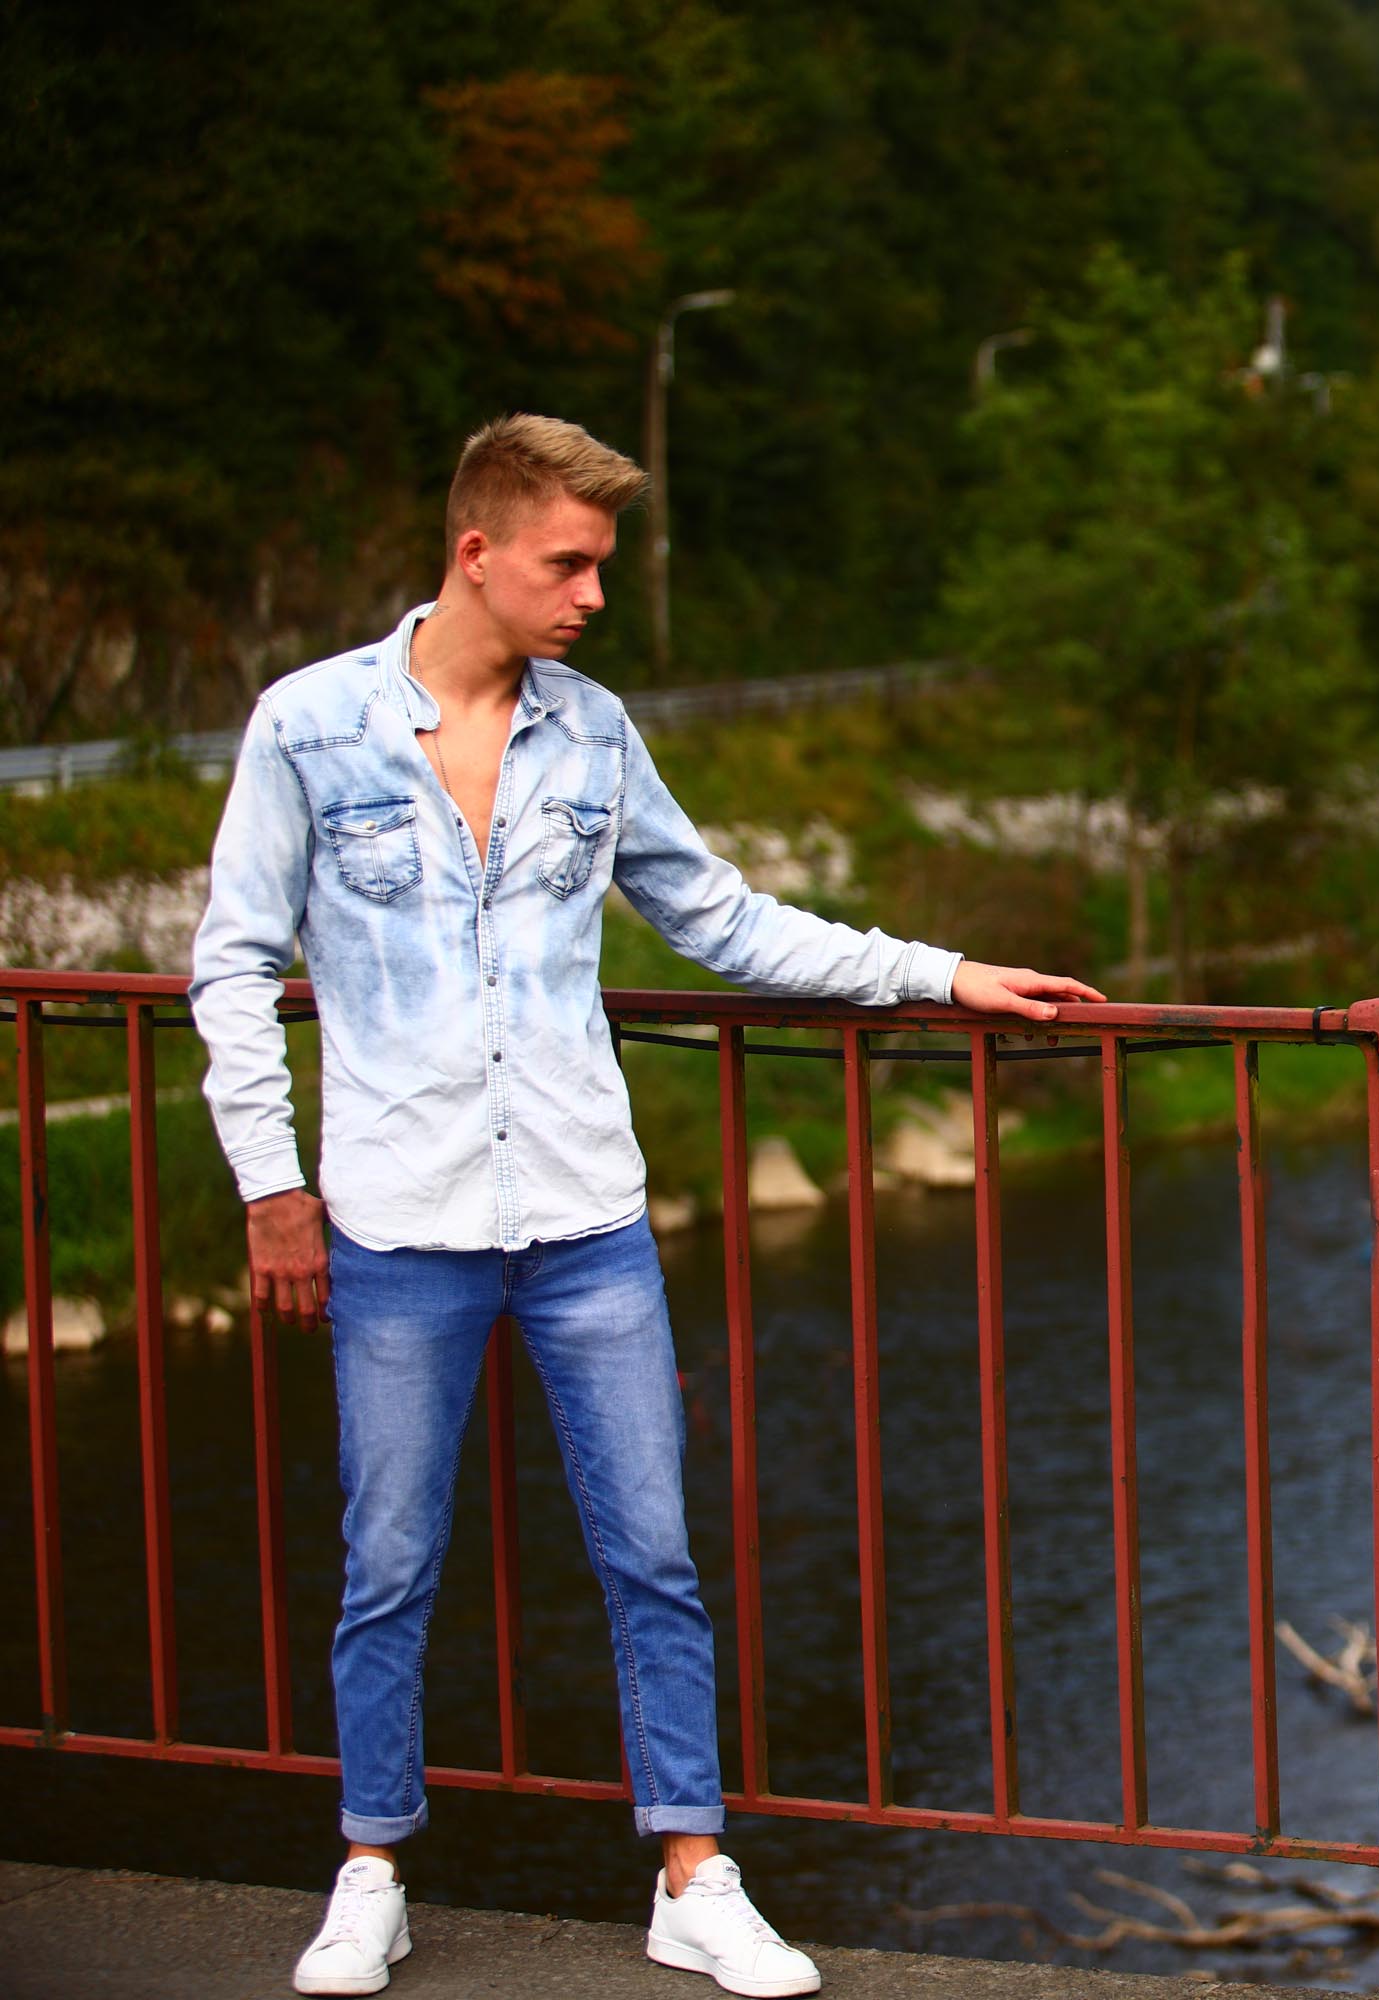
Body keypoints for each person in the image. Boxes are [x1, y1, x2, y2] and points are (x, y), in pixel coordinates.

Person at [187, 414, 1105, 1997]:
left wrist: (943, 973)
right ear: (477, 553)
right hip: (398, 1223)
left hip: (587, 1221)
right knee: (388, 1563)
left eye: (602, 565)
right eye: (572, 564)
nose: (595, 596)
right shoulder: (310, 727)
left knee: (654, 1558)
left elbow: (722, 920)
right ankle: (370, 1871)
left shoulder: (595, 736)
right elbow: (232, 963)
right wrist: (272, 1186)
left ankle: (692, 1874)